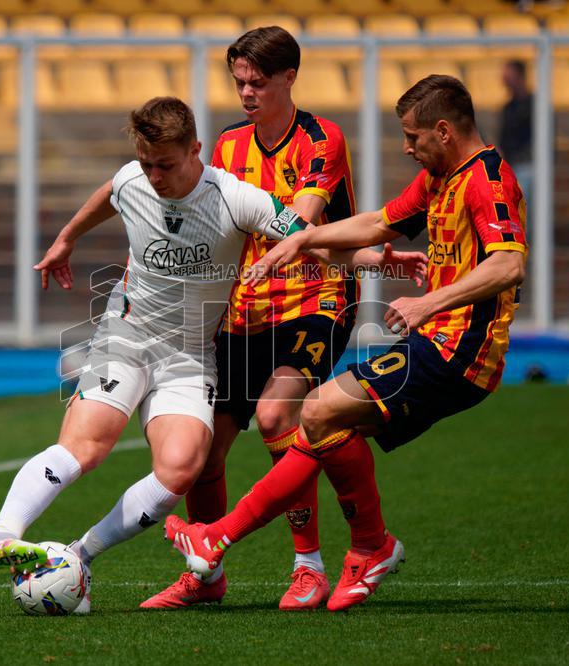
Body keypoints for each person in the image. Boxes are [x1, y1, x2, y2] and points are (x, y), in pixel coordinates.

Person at [0, 97, 424, 613]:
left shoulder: (234, 198)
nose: (154, 176)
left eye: (165, 164)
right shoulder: (132, 179)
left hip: (190, 353)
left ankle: (79, 555)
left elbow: (310, 242)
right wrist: (66, 239)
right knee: (87, 447)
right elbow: (109, 195)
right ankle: (3, 534)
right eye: (146, 164)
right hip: (127, 333)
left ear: (195, 150)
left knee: (181, 468)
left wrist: (376, 258)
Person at [166, 75, 528, 612]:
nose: (407, 148)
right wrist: (307, 238)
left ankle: (235, 539)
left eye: (413, 137)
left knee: (316, 410)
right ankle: (366, 549)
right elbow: (379, 223)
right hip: (436, 341)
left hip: (461, 350)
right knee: (320, 418)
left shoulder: (488, 180)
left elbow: (510, 262)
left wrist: (429, 303)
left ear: (445, 131)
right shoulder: (441, 179)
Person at [143, 26, 397, 611]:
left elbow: (299, 224)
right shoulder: (228, 144)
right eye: (239, 82)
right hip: (245, 307)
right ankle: (205, 575)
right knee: (204, 453)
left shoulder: (320, 139)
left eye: (258, 81)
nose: (247, 92)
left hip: (316, 297)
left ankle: (308, 566)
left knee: (279, 412)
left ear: (289, 78)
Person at [498, 60, 531, 216]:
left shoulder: (534, 105)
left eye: (508, 75)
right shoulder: (508, 108)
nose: (504, 79)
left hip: (530, 167)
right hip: (512, 168)